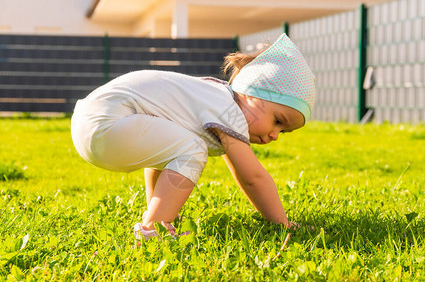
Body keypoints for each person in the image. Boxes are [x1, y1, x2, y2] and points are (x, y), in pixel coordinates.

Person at [70, 33, 316, 241]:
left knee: (180, 147)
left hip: (89, 122)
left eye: (283, 131)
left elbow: (167, 155)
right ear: (251, 93)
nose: (275, 135)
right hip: (109, 123)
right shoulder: (227, 108)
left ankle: (157, 216)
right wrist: (282, 224)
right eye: (277, 121)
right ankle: (153, 230)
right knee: (193, 149)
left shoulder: (213, 97)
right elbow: (253, 177)